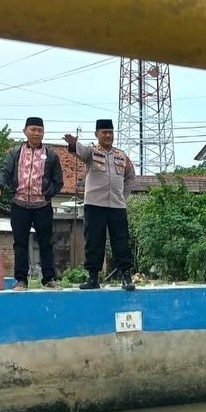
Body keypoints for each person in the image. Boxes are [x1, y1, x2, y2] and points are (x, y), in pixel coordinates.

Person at [0, 117, 64, 290]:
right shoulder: (15, 152)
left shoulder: (51, 155)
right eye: (33, 129)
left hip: (42, 206)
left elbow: (58, 181)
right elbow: (5, 171)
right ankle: (21, 280)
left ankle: (49, 279)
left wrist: (48, 193)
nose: (37, 133)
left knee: (46, 243)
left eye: (40, 130)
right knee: (20, 243)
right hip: (19, 204)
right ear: (25, 131)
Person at [63, 120, 136, 290]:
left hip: (117, 206)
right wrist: (74, 144)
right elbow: (80, 152)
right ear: (97, 134)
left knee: (122, 241)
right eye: (104, 132)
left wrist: (123, 198)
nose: (108, 136)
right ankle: (93, 278)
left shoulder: (122, 155)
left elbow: (131, 177)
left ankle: (126, 277)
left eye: (110, 132)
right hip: (95, 204)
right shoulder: (92, 152)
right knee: (94, 241)